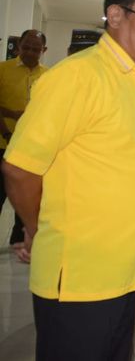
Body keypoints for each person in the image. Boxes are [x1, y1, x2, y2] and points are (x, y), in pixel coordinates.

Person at [2, 0, 135, 360]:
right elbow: (19, 168)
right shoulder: (78, 76)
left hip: (121, 273)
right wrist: (36, 227)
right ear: (114, 15)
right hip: (80, 278)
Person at [0, 29, 47, 262]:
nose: (30, 52)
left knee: (28, 199)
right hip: (2, 143)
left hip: (34, 150)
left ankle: (19, 247)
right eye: (26, 47)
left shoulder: (49, 76)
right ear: (18, 46)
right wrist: (9, 125)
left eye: (35, 49)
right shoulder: (2, 70)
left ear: (43, 51)